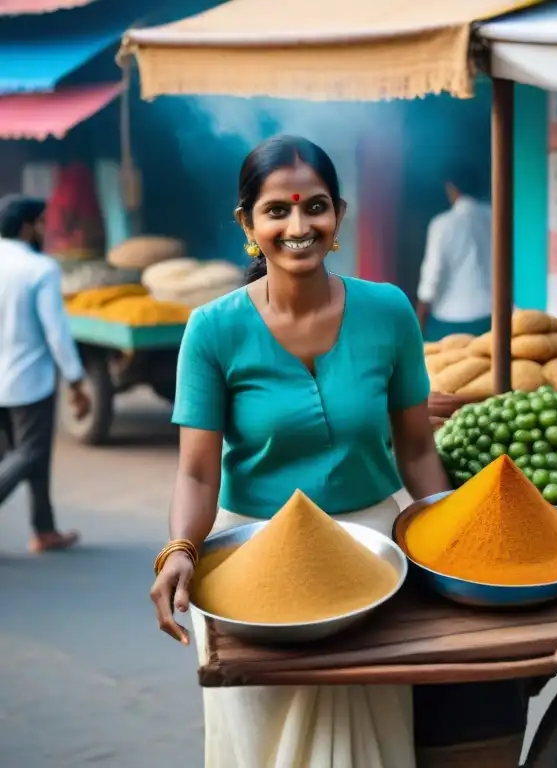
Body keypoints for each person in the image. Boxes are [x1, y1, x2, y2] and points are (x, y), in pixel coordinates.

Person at [148, 136, 452, 766]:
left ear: (338, 214)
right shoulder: (212, 328)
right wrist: (180, 549)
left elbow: (418, 448)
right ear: (248, 223)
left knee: (374, 738)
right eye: (277, 211)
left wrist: (454, 530)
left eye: (314, 207)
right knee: (262, 740)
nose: (298, 225)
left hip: (371, 561)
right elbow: (198, 474)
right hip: (252, 563)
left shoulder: (389, 311)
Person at [0, 194, 88, 553]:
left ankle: (44, 528)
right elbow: (57, 333)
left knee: (25, 456)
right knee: (30, 454)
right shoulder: (39, 268)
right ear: (27, 227)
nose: (44, 230)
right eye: (40, 223)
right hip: (27, 381)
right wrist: (76, 380)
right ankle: (44, 528)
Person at [416, 163, 493, 342]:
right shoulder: (495, 217)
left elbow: (432, 275)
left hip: (450, 322)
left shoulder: (442, 224)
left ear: (451, 188)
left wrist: (419, 320)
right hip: (489, 316)